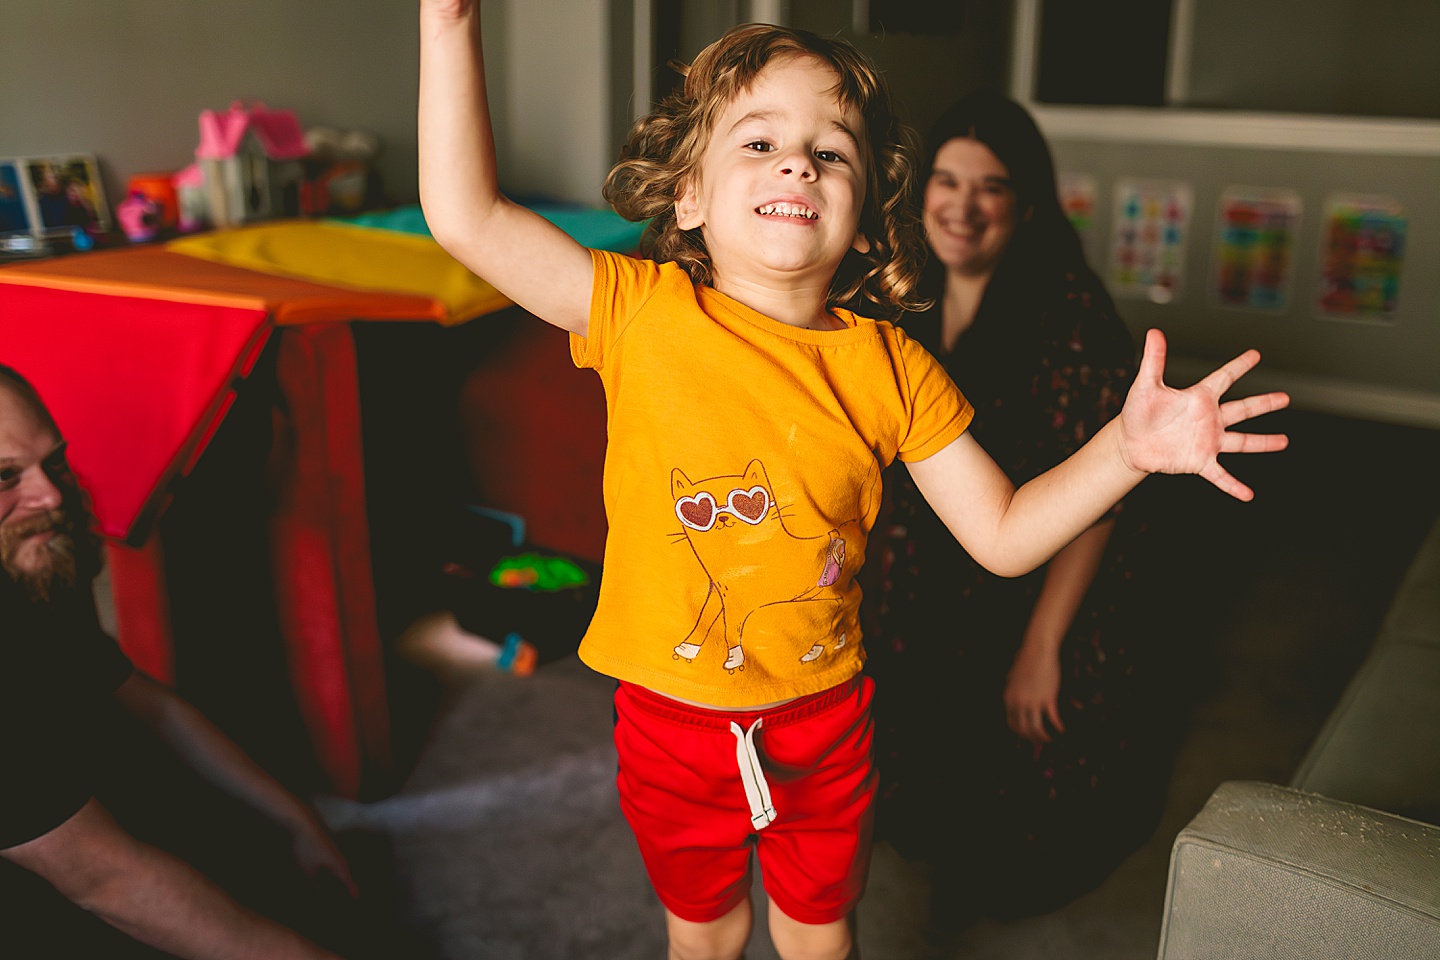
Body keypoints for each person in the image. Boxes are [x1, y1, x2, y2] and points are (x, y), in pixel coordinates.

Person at [417, 6, 1289, 958]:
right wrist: (449, 24)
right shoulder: (632, 310)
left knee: (820, 937)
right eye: (760, 142)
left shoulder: (892, 368)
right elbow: (465, 217)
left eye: (832, 153)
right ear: (689, 200)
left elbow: (1003, 535)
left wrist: (1125, 448)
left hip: (823, 724)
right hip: (667, 723)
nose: (798, 164)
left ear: (871, 222)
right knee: (702, 936)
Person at [864, 91, 1173, 924]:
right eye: (945, 181)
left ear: (1025, 205)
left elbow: (1104, 502)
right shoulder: (894, 292)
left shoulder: (1074, 320)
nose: (962, 208)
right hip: (924, 556)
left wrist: (1043, 644)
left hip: (1040, 560)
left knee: (1031, 749)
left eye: (990, 188)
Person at [0, 364, 355, 960]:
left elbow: (148, 706)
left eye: (53, 463)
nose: (51, 495)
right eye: (6, 476)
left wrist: (293, 818)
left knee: (243, 861)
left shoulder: (30, 559)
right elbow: (103, 878)